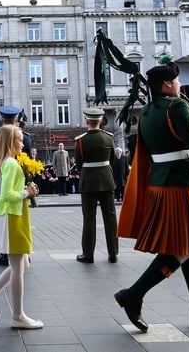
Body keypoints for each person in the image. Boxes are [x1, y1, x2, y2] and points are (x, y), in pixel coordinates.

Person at [115, 60, 189, 333]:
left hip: (160, 184)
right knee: (182, 248)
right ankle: (133, 294)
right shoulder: (176, 107)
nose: (179, 85)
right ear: (167, 84)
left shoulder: (147, 112)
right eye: (176, 81)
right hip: (178, 186)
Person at [0, 124, 43, 329]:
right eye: (19, 140)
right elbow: (8, 195)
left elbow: (5, 193)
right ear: (9, 142)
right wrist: (27, 193)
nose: (23, 144)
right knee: (17, 266)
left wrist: (24, 190)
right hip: (13, 216)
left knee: (22, 265)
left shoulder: (5, 163)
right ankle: (18, 315)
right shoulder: (11, 164)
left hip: (12, 215)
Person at [73, 108, 118, 264]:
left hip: (88, 182)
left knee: (89, 218)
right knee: (110, 217)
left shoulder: (81, 140)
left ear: (87, 122)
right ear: (100, 121)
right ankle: (113, 253)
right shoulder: (108, 138)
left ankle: (88, 254)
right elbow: (111, 160)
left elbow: (79, 164)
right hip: (106, 180)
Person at [0, 106, 31, 267]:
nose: (21, 144)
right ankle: (17, 253)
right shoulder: (25, 138)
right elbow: (27, 160)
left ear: (2, 119)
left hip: (6, 181)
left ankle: (6, 253)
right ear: (16, 119)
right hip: (17, 182)